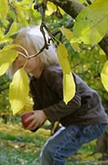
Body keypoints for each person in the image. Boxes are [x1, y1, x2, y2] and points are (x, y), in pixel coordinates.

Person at [7, 26, 108, 165]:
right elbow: (41, 108)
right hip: (78, 121)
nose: (18, 60)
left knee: (52, 152)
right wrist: (35, 121)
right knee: (48, 153)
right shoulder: (35, 82)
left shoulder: (53, 73)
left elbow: (73, 101)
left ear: (41, 52)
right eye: (15, 56)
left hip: (90, 119)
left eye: (24, 53)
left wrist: (44, 113)